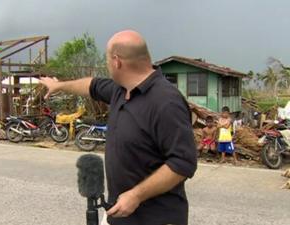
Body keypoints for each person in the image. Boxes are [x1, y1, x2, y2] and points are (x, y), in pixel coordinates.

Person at [40, 30, 197, 225]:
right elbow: (91, 85)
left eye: (107, 60)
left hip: (156, 218)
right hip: (120, 215)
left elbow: (183, 163)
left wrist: (136, 195)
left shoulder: (166, 102)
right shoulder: (120, 90)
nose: (107, 65)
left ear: (116, 61)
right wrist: (60, 86)